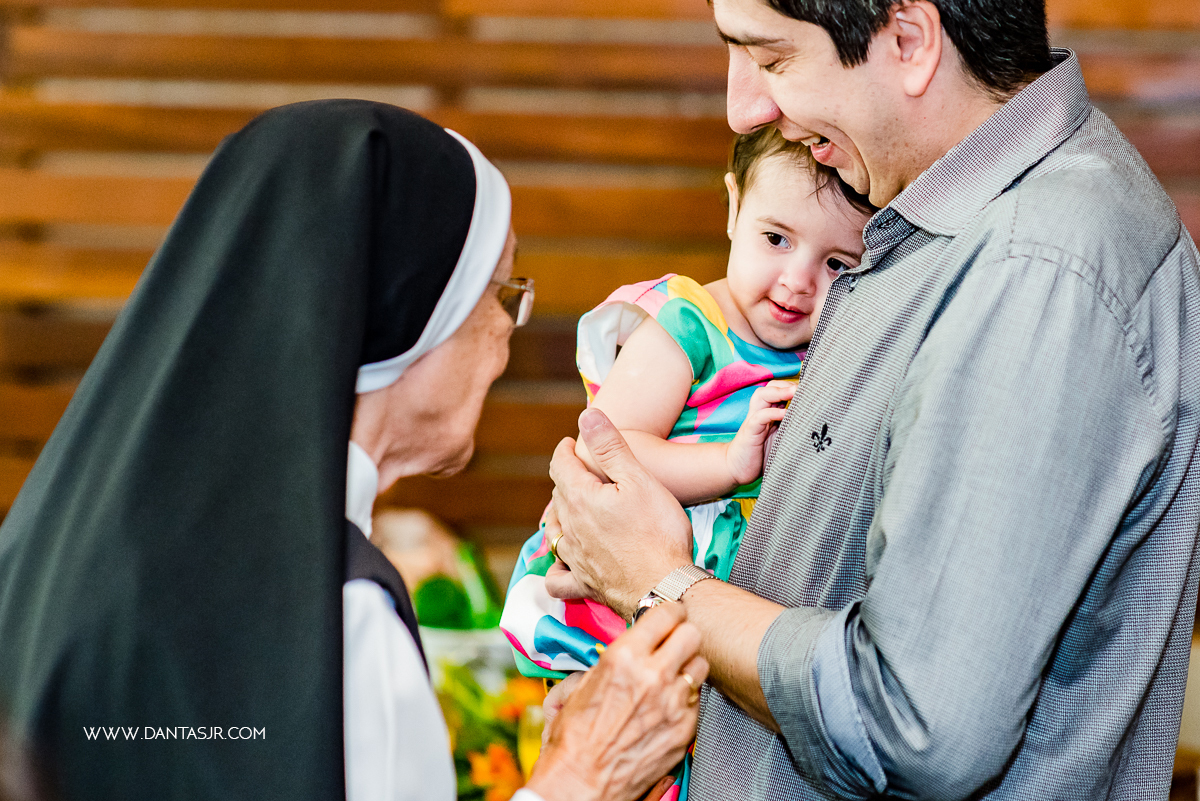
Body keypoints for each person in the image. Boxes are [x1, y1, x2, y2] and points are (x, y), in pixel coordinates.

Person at [540, 0, 1200, 799]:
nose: (744, 108)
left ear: (910, 42)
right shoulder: (932, 221)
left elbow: (917, 722)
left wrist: (659, 580)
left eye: (774, 59)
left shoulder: (1037, 271)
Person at [0, 100, 706, 801]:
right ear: (411, 312)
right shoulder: (330, 615)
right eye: (502, 293)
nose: (506, 334)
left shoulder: (54, 542)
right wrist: (579, 779)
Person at [502, 127, 872, 800]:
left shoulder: (825, 351)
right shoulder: (688, 323)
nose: (798, 281)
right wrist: (729, 464)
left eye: (838, 265)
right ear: (734, 207)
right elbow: (608, 448)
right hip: (630, 584)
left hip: (722, 609)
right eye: (776, 239)